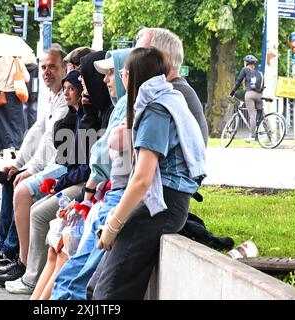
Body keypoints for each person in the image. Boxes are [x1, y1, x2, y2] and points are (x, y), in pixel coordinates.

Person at [88, 47, 205, 300]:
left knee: (107, 294)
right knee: (94, 288)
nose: (119, 79)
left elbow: (142, 179)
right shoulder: (160, 101)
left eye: (122, 73)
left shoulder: (156, 110)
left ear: (133, 76)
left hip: (165, 205)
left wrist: (113, 224)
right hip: (156, 202)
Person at [0, 48, 68, 275]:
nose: (46, 72)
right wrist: (18, 165)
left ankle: (18, 255)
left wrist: (30, 169)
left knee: (22, 186)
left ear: (64, 68)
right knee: (9, 177)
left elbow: (48, 140)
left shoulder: (66, 98)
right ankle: (4, 247)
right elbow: (37, 132)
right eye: (43, 67)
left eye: (52, 67)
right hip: (49, 163)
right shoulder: (53, 96)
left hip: (59, 165)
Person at [50, 48, 132, 300]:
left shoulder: (123, 108)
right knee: (65, 264)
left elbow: (92, 157)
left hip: (108, 196)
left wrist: (86, 197)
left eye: (111, 73)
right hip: (99, 193)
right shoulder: (107, 108)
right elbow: (68, 152)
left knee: (71, 277)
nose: (105, 80)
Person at [29, 70, 86, 300]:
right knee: (55, 245)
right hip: (76, 181)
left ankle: (31, 275)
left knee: (44, 219)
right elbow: (64, 157)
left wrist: (61, 182)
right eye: (66, 90)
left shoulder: (88, 118)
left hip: (87, 188)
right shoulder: (77, 117)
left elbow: (88, 168)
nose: (67, 94)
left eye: (72, 89)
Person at [136, 27, 208, 146]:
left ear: (163, 59)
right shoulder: (176, 91)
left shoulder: (169, 96)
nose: (133, 60)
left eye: (140, 55)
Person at [0, 55, 30, 158]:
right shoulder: (18, 62)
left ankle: (0, 150)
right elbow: (27, 78)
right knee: (15, 123)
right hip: (14, 95)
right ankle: (13, 146)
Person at [230, 54, 263, 142]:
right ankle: (270, 134)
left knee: (252, 115)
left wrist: (232, 93)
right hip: (260, 95)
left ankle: (252, 136)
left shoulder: (245, 69)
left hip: (250, 94)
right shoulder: (258, 72)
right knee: (261, 114)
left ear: (246, 63)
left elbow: (238, 82)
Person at [24, 53, 39, 131]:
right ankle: (32, 131)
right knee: (33, 113)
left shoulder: (22, 67)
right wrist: (35, 94)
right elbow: (35, 81)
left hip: (23, 93)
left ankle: (24, 131)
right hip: (33, 93)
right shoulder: (36, 68)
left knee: (23, 112)